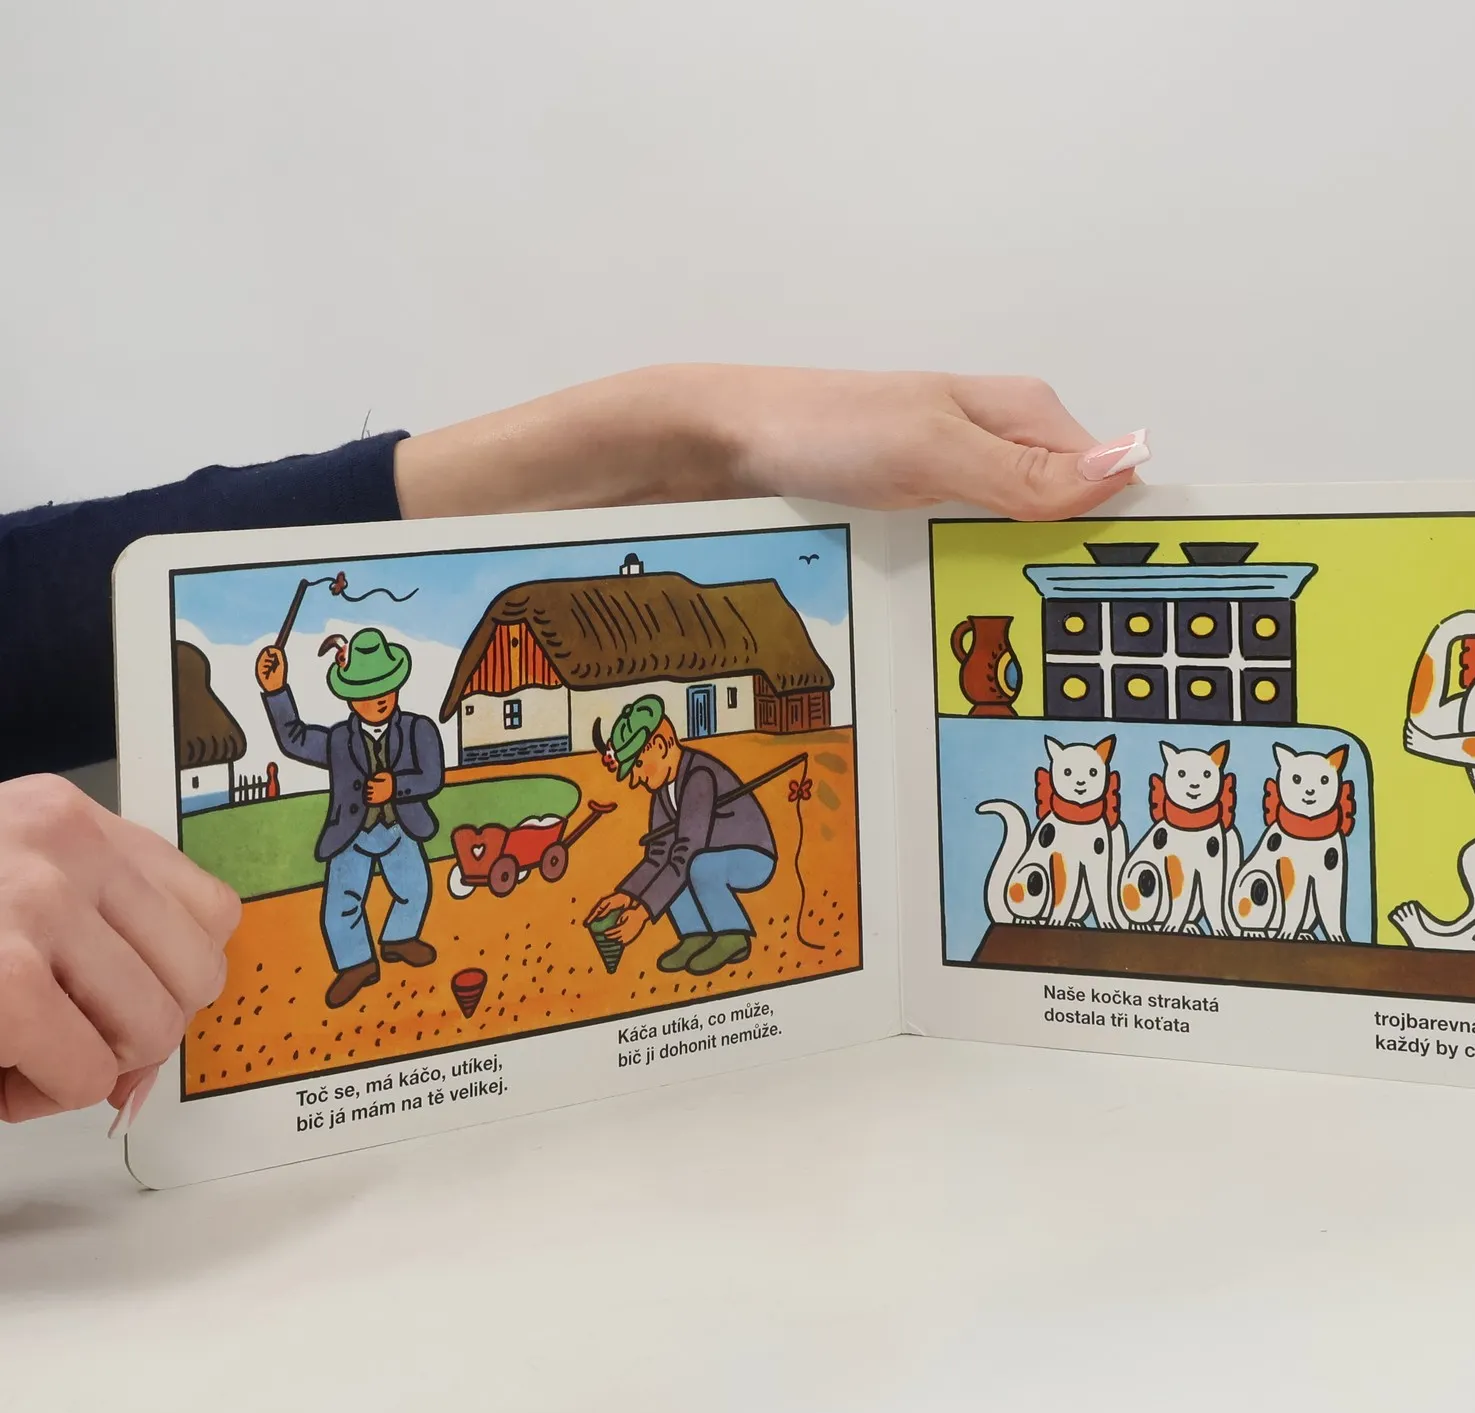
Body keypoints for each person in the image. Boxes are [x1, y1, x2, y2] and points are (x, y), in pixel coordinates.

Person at [0, 366, 1145, 1124]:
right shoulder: (361, 737)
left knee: (681, 880)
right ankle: (368, 957)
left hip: (703, 853)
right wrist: (277, 702)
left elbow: (671, 845)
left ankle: (691, 938)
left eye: (634, 761)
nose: (629, 773)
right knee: (363, 899)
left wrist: (691, 430)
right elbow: (301, 736)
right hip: (359, 840)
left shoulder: (684, 777)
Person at [256, 627, 446, 1009]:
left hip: (401, 828)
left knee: (415, 888)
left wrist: (396, 787)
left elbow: (432, 776)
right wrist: (276, 691)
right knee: (342, 903)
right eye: (366, 692)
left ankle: (399, 939)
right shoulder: (339, 740)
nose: (378, 699)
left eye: (385, 688)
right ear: (349, 696)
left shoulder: (418, 729)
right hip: (352, 834)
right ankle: (356, 964)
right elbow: (294, 738)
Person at [587, 696, 774, 976]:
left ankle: (732, 935)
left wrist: (643, 913)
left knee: (695, 865)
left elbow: (687, 850)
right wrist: (627, 895)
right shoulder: (662, 792)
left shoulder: (699, 775)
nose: (635, 779)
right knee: (678, 864)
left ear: (661, 746)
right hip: (705, 858)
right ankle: (695, 935)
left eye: (638, 764)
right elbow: (657, 856)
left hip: (751, 855)